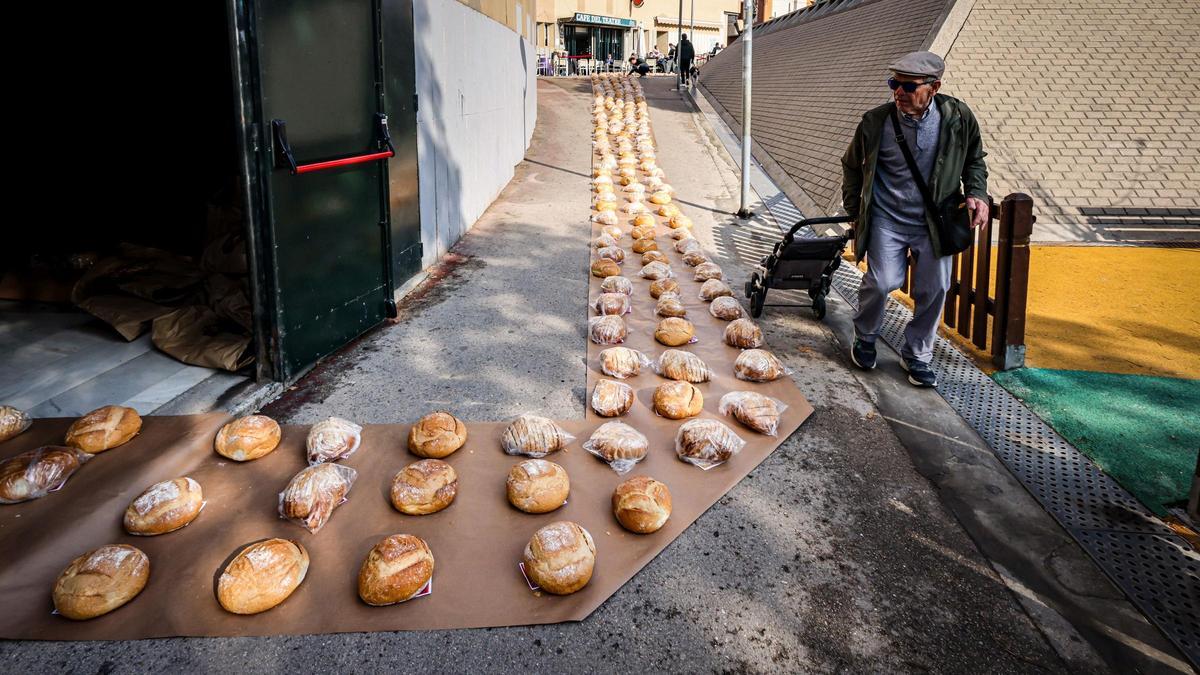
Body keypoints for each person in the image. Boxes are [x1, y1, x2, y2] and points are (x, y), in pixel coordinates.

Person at [840, 51, 989, 387]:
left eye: (908, 86)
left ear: (933, 87)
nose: (898, 92)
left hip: (934, 221)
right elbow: (850, 165)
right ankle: (865, 336)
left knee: (935, 287)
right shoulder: (875, 122)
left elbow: (974, 160)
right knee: (881, 282)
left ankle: (918, 353)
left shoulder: (958, 117)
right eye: (894, 83)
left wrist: (976, 192)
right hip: (886, 219)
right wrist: (855, 210)